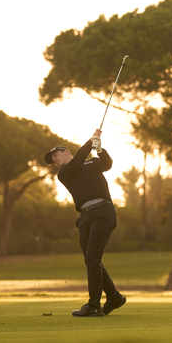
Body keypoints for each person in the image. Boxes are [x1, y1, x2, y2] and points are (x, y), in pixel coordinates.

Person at [45, 129, 126, 317]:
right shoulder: (64, 172)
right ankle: (113, 297)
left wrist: (99, 149)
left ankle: (94, 305)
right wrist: (91, 142)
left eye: (56, 156)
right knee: (92, 260)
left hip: (102, 212)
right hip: (85, 217)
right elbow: (78, 160)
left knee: (92, 259)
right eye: (53, 160)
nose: (55, 161)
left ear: (66, 152)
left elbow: (107, 164)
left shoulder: (91, 162)